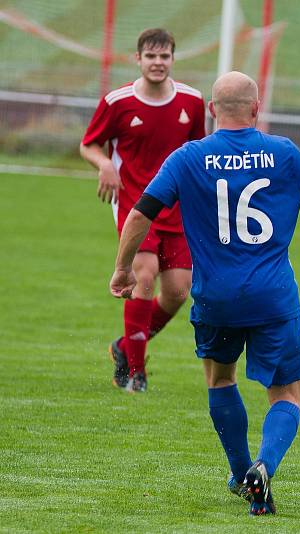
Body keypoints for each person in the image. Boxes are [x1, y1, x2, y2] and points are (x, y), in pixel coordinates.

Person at [110, 71, 300, 515]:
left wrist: (122, 268)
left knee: (220, 379)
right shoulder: (284, 153)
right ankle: (263, 467)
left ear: (212, 112)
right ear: (256, 109)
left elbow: (141, 215)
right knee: (288, 394)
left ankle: (239, 472)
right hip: (273, 296)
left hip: (215, 296)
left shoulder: (188, 157)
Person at [81, 28, 206, 392]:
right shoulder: (117, 101)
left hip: (178, 207)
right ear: (138, 59)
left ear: (172, 59)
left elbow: (197, 152)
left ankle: (125, 346)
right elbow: (88, 145)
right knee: (145, 275)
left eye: (164, 56)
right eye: (150, 56)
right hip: (135, 203)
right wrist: (104, 164)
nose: (158, 62)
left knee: (179, 291)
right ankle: (135, 373)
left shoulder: (192, 101)